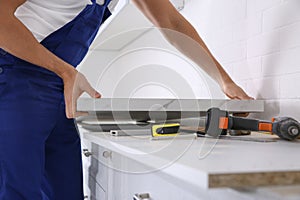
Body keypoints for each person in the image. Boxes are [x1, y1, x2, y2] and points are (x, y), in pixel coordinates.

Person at [0, 0, 253, 199]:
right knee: (16, 191)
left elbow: (172, 22)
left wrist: (224, 80)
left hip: (59, 91)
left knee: (65, 191)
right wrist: (66, 70)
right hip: (12, 82)